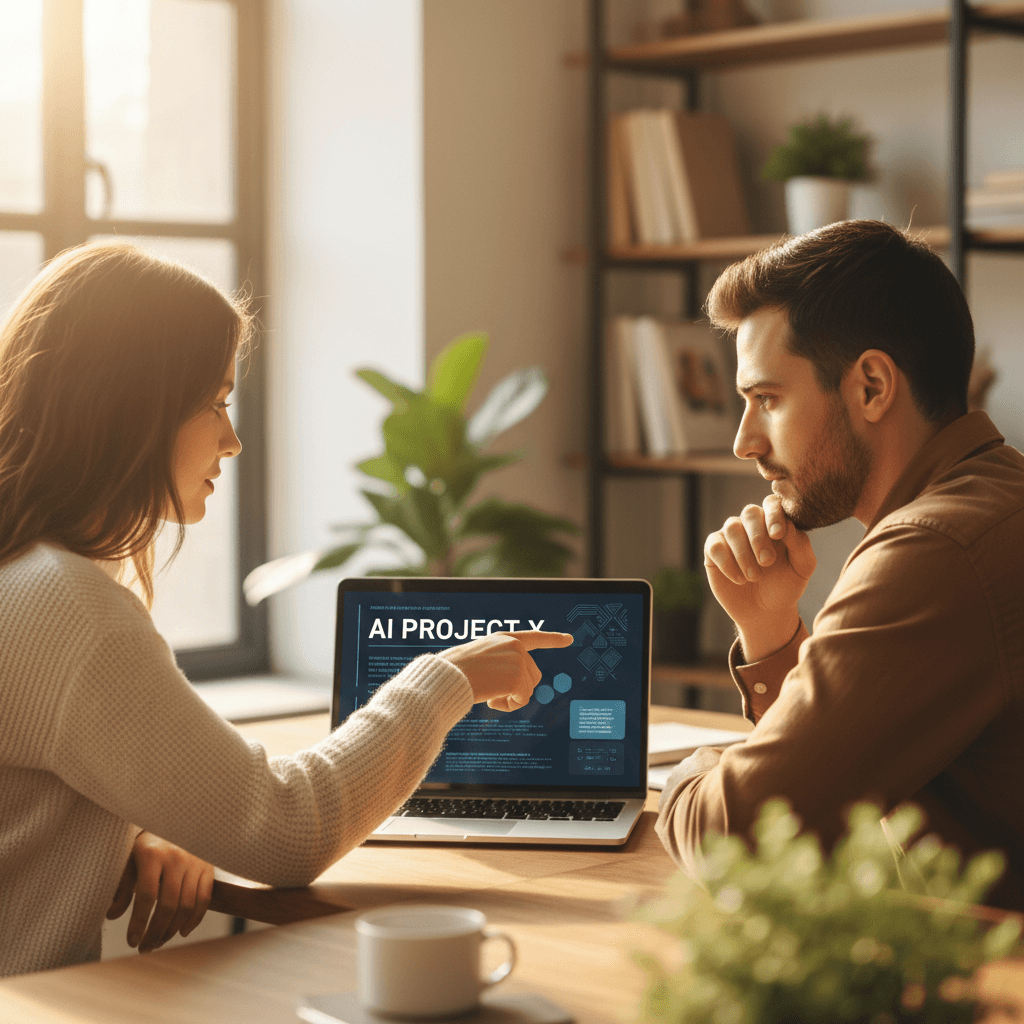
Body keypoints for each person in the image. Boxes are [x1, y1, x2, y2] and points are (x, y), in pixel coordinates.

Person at [0, 240, 571, 977]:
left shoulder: (24, 577)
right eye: (214, 404)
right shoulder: (71, 613)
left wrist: (130, 828)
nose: (232, 441)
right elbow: (287, 830)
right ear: (130, 409)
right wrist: (446, 677)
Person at [655, 220, 1024, 909]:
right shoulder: (996, 498)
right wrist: (770, 630)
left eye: (766, 399)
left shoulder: (937, 550)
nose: (743, 442)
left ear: (873, 387)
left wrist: (687, 773)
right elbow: (828, 783)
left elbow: (741, 837)